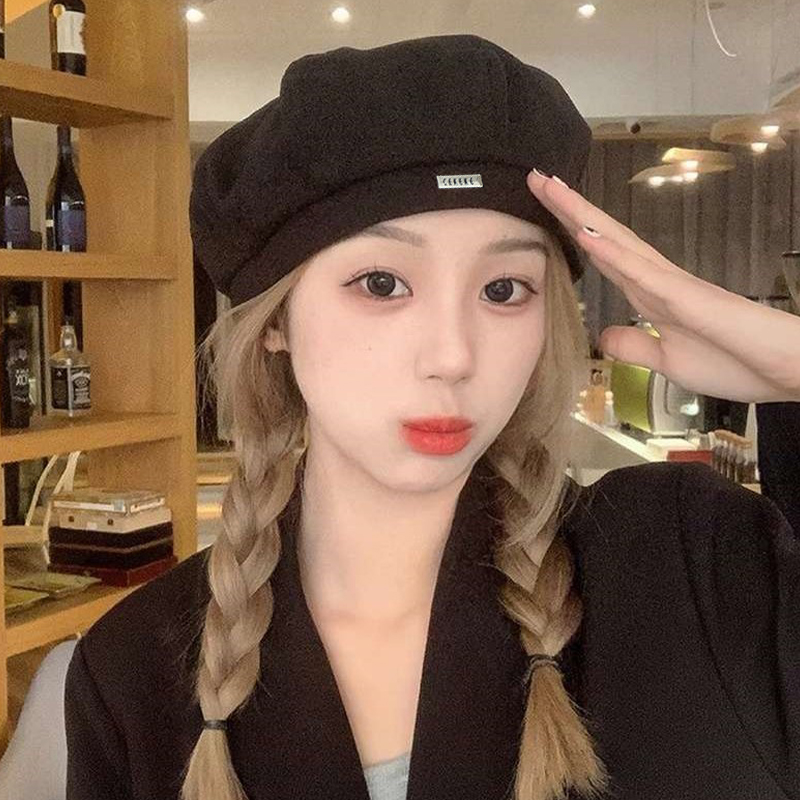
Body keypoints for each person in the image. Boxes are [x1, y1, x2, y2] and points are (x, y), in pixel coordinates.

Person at [63, 34, 800, 800]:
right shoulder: (133, 674)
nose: (453, 356)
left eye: (504, 289)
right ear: (275, 320)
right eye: (382, 283)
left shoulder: (693, 564)